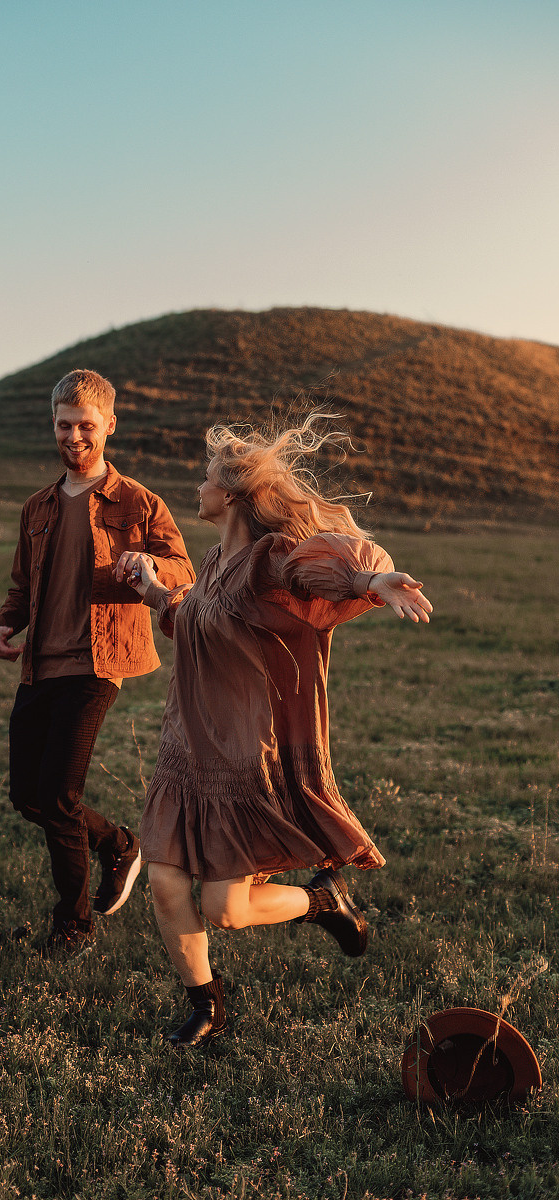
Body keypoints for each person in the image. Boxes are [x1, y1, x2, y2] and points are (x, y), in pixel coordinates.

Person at [115, 417, 433, 1044]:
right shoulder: (211, 563)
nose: (197, 487)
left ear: (230, 495)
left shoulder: (270, 560)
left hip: (243, 758)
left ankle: (323, 902)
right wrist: (156, 594)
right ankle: (205, 1003)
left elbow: (317, 567)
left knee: (225, 910)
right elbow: (200, 620)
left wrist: (368, 580)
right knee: (163, 882)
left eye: (206, 478)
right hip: (186, 749)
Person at [0, 369, 195, 956]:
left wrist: (149, 569)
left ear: (109, 426)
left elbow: (183, 568)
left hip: (98, 664)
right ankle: (118, 845)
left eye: (85, 425)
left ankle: (73, 926)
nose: (73, 436)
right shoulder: (38, 507)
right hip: (39, 666)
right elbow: (22, 585)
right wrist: (2, 626)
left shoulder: (138, 503)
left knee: (56, 796)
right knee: (28, 796)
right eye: (63, 425)